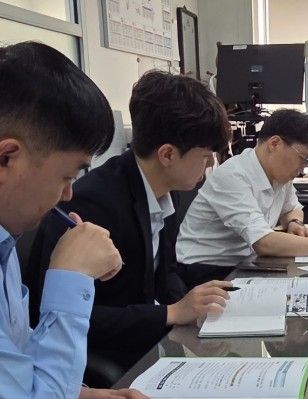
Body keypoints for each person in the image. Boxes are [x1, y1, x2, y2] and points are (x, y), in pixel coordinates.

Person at [0, 42, 154, 399]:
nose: (68, 195)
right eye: (66, 176)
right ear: (7, 158)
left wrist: (73, 394)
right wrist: (70, 278)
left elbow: (19, 374)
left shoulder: (6, 239)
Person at [29, 71, 234, 373]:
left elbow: (166, 273)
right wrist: (171, 313)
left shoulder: (165, 191)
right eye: (205, 156)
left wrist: (194, 307)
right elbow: (65, 314)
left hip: (149, 343)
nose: (209, 165)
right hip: (101, 359)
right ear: (168, 154)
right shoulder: (92, 202)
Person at [176, 109, 308, 286]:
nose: (302, 169)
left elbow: (292, 209)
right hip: (206, 272)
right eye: (302, 159)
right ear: (274, 144)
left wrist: (294, 223)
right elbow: (264, 243)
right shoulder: (234, 175)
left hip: (245, 263)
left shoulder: (279, 175)